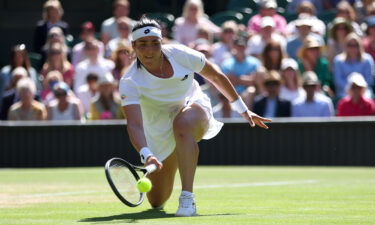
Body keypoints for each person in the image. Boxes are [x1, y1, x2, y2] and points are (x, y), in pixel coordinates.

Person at [119, 17, 271, 216]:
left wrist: (242, 108)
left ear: (162, 42)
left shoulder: (181, 54)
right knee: (156, 201)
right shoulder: (129, 81)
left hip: (192, 107)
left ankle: (187, 199)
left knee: (182, 125)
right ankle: (174, 154)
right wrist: (148, 155)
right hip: (159, 130)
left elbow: (216, 76)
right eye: (143, 44)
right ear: (134, 46)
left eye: (154, 43)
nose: (149, 50)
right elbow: (135, 125)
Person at [333, 33, 374, 99]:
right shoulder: (338, 60)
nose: (353, 48)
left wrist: (358, 90)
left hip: (363, 91)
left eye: (355, 45)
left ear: (360, 46)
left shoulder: (367, 60)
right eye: (350, 45)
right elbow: (338, 80)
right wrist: (351, 90)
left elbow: (369, 80)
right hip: (344, 92)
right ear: (346, 46)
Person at [0, 44, 39, 109]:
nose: (18, 59)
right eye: (16, 56)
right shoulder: (4, 72)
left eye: (20, 56)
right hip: (9, 106)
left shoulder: (32, 72)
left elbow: (35, 91)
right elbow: (3, 93)